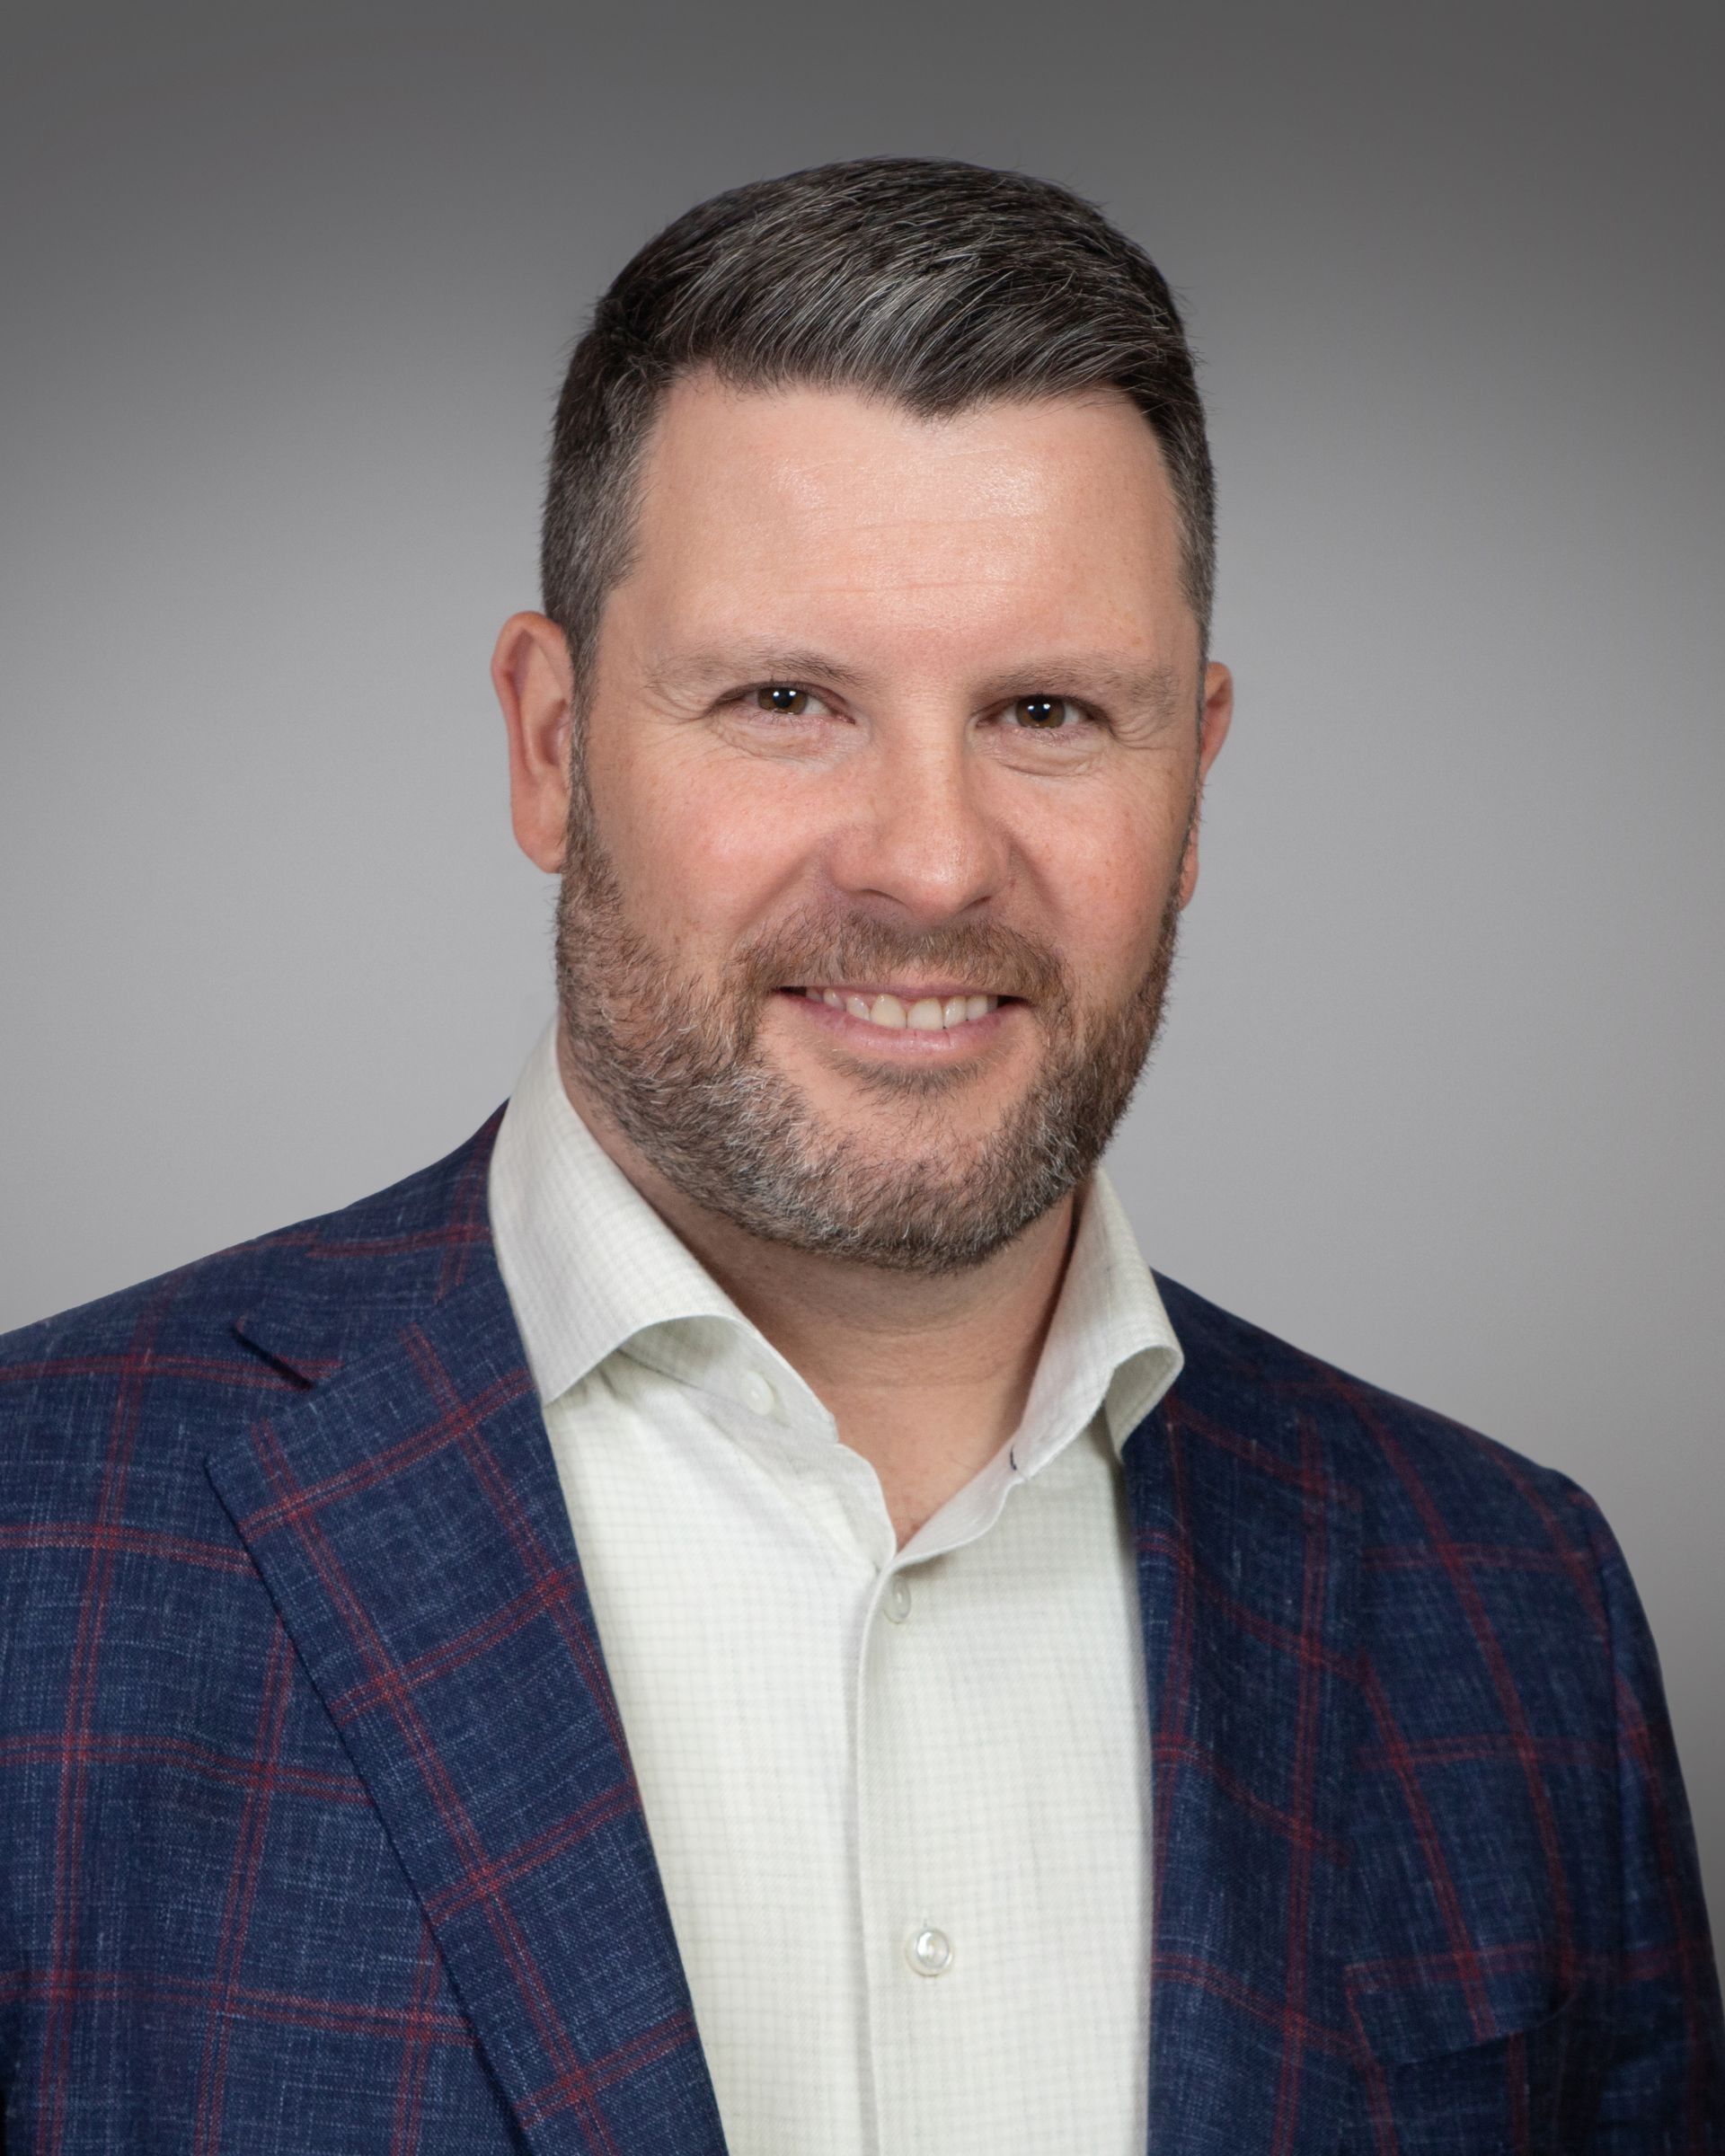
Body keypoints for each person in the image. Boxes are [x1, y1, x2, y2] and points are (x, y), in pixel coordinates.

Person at [0, 156, 1718, 2156]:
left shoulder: (1513, 1611)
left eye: (1051, 711)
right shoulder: (40, 1553)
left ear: (1198, 767)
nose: (928, 858)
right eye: (788, 700)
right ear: (550, 743)